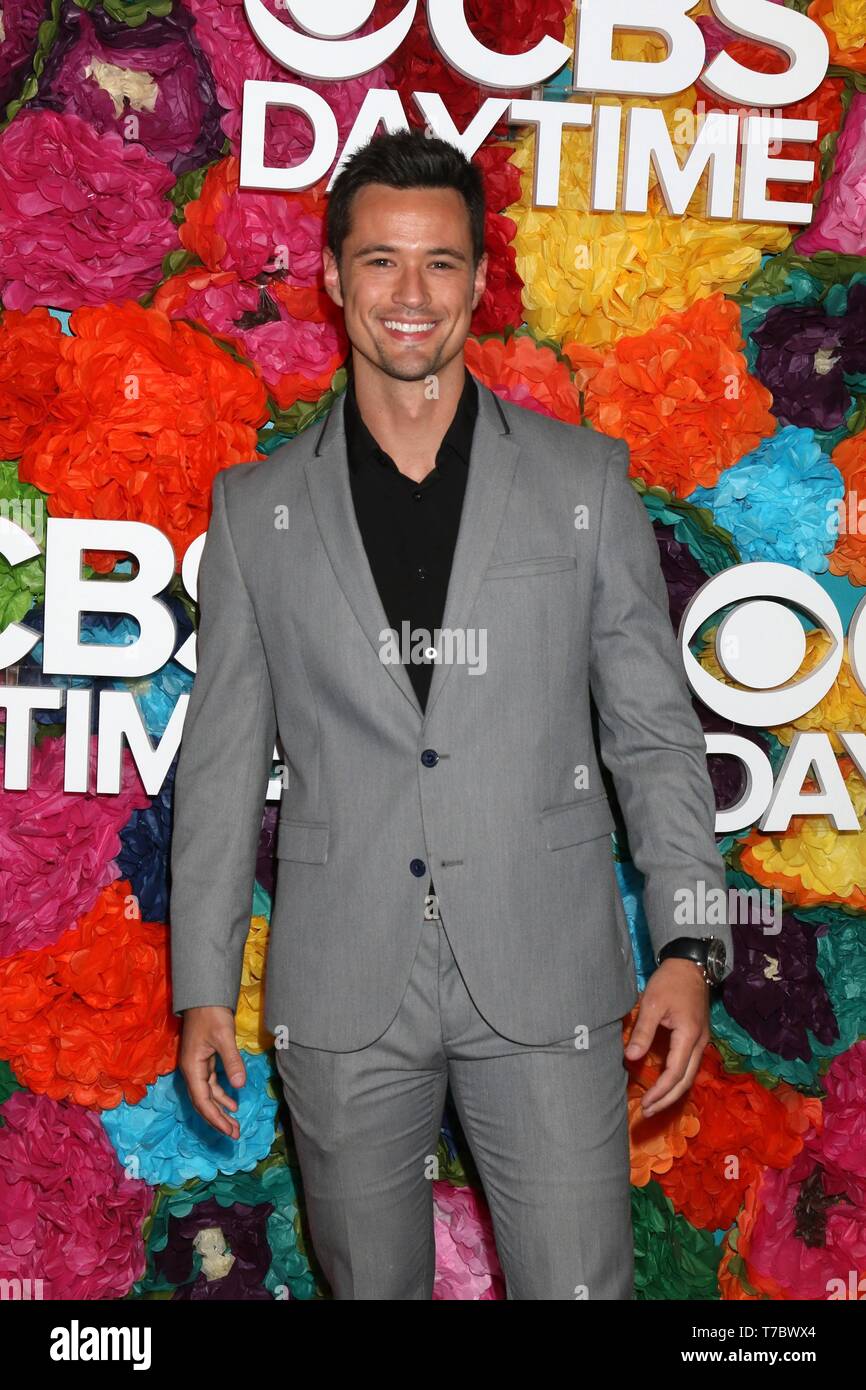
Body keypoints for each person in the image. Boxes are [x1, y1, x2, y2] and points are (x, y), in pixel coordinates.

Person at [170, 128, 734, 1300]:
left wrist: (686, 941)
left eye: (439, 264)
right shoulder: (255, 510)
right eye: (379, 261)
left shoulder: (582, 482)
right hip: (342, 987)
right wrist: (203, 989)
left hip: (548, 972)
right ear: (332, 278)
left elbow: (652, 735)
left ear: (480, 281)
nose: (409, 295)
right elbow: (221, 766)